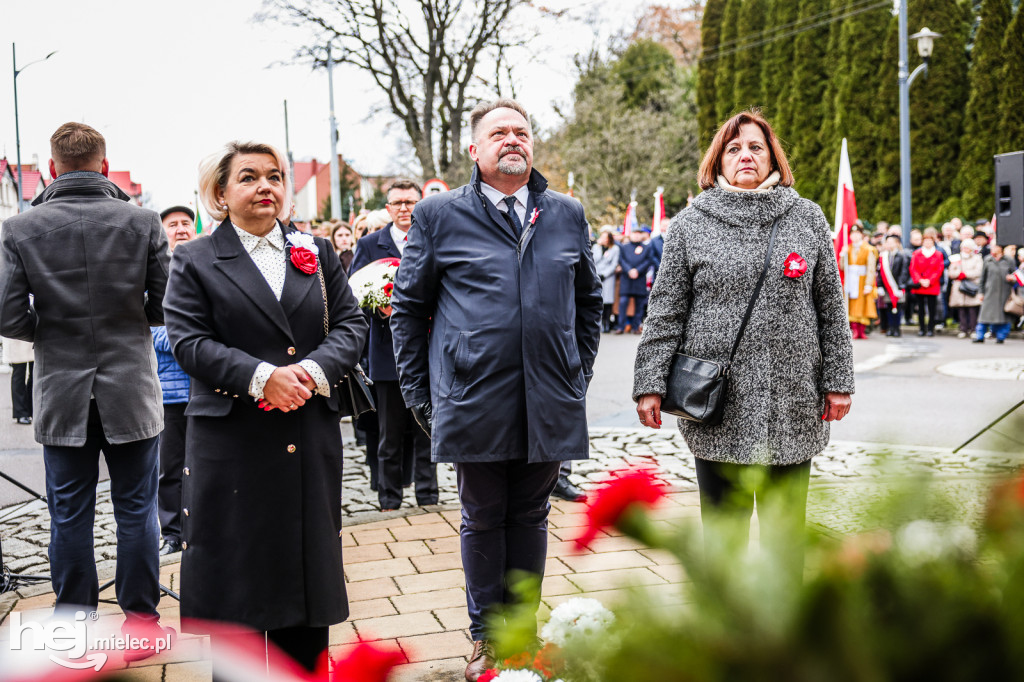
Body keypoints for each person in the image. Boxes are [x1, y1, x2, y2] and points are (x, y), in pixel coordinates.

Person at [390, 98, 602, 681]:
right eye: (499, 133)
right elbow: (408, 309)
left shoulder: (565, 213)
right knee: (483, 516)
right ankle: (486, 638)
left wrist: (574, 373)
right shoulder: (438, 215)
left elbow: (588, 302)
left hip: (550, 396)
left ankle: (523, 636)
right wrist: (420, 392)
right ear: (474, 149)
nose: (513, 140)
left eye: (522, 132)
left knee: (532, 515)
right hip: (472, 396)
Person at [162, 141, 368, 676]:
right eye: (249, 177)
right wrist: (262, 379)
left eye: (275, 177)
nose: (265, 187)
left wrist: (310, 374)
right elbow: (189, 342)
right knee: (239, 587)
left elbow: (351, 324)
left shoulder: (316, 252)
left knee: (304, 582)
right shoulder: (194, 258)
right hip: (234, 444)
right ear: (221, 194)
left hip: (306, 433)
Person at [633, 110, 854, 586]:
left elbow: (831, 309)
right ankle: (728, 638)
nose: (745, 156)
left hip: (792, 398)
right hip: (716, 402)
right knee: (724, 535)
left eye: (755, 146)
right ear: (718, 162)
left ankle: (784, 637)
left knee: (785, 535)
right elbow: (666, 310)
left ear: (773, 155)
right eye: (734, 149)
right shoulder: (692, 222)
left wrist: (839, 381)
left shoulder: (805, 217)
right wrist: (649, 383)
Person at [0, 122, 173, 656]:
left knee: (68, 513)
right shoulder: (142, 221)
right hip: (131, 388)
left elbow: (7, 315)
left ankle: (73, 630)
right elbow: (164, 304)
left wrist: (49, 333)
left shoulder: (20, 229)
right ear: (104, 163)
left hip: (61, 389)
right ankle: (141, 624)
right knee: (136, 509)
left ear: (52, 168)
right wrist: (130, 323)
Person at [349, 179, 438, 511]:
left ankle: (428, 496)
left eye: (410, 202)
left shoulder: (432, 237)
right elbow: (353, 292)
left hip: (428, 349)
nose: (404, 208)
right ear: (387, 208)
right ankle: (389, 498)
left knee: (427, 427)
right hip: (387, 351)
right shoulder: (372, 243)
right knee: (389, 432)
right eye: (397, 203)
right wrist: (379, 305)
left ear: (420, 204)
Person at [152, 205, 197, 556]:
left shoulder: (205, 264)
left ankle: (205, 527)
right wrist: (192, 340)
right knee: (170, 468)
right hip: (169, 391)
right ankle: (171, 533)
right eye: (173, 224)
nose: (180, 229)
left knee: (207, 464)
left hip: (206, 385)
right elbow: (150, 331)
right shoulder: (153, 271)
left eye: (186, 223)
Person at [615, 224, 657, 334]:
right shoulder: (624, 247)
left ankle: (635, 326)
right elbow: (621, 260)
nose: (637, 236)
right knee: (623, 302)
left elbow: (648, 261)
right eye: (635, 234)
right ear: (631, 235)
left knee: (639, 304)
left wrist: (637, 270)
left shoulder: (646, 247)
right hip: (626, 278)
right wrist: (629, 270)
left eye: (639, 234)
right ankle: (621, 326)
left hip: (640, 278)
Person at [975, 243, 1016, 344]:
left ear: (1000, 249)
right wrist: (981, 292)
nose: (992, 249)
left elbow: (1015, 275)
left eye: (995, 247)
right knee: (984, 315)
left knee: (1003, 316)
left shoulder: (1008, 260)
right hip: (990, 291)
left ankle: (1001, 337)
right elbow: (982, 278)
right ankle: (980, 336)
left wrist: (1012, 279)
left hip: (1004, 292)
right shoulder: (988, 259)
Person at [841, 224, 877, 339]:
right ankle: (854, 329)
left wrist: (868, 285)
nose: (854, 236)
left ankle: (862, 330)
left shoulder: (868, 249)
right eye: (852, 234)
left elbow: (871, 268)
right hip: (851, 279)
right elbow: (842, 267)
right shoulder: (848, 248)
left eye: (857, 234)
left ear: (861, 235)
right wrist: (843, 254)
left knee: (862, 304)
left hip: (861, 280)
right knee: (851, 304)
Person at [909, 232, 944, 336]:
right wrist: (920, 280)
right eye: (926, 241)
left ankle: (930, 328)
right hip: (920, 285)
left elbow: (939, 269)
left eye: (930, 241)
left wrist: (930, 280)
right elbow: (913, 268)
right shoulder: (917, 253)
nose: (928, 243)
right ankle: (921, 328)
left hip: (932, 285)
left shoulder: (938, 254)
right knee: (920, 308)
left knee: (932, 307)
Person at [947, 239, 983, 338]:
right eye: (963, 247)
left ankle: (973, 329)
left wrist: (966, 274)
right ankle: (963, 328)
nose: (965, 249)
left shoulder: (977, 258)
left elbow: (978, 271)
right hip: (959, 287)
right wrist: (958, 274)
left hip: (971, 285)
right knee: (961, 309)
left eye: (967, 248)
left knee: (972, 309)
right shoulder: (957, 258)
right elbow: (951, 272)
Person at [877, 234, 911, 337]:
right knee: (888, 308)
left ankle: (897, 328)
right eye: (888, 242)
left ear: (897, 243)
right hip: (887, 288)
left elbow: (904, 272)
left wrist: (901, 286)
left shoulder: (902, 255)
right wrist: (880, 286)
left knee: (898, 308)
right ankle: (890, 328)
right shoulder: (884, 257)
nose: (889, 244)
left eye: (892, 242)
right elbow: (880, 273)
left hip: (898, 287)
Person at [593, 228, 620, 333]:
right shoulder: (596, 247)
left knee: (607, 301)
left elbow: (614, 264)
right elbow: (594, 260)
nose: (604, 239)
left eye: (606, 237)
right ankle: (599, 323)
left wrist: (605, 274)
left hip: (608, 277)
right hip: (597, 274)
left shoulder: (615, 249)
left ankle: (607, 323)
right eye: (602, 237)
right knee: (598, 300)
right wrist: (599, 247)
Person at [2, 337, 33, 424]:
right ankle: (21, 412)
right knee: (19, 374)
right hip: (16, 334)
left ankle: (33, 408)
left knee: (36, 373)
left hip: (34, 333)